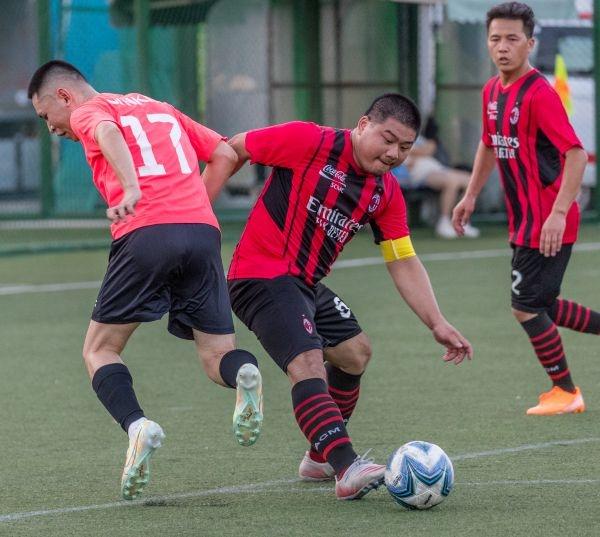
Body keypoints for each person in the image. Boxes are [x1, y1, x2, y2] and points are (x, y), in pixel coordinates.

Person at [27, 60, 264, 500]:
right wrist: (193, 206)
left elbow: (107, 133)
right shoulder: (160, 107)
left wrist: (133, 188)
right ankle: (245, 374)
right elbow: (227, 155)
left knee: (99, 349)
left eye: (46, 116)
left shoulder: (89, 110)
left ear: (64, 96)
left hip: (145, 232)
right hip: (202, 232)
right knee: (217, 355)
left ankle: (138, 425)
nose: (52, 128)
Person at [224, 93, 472, 501]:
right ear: (363, 125)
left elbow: (402, 260)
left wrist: (437, 322)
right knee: (307, 363)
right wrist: (201, 211)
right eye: (387, 139)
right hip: (260, 275)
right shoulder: (309, 141)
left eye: (405, 147)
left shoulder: (385, 192)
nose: (393, 154)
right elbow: (234, 148)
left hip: (305, 284)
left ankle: (318, 458)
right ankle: (346, 466)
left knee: (355, 353)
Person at [452, 2, 599, 415]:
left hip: (548, 222)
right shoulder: (491, 91)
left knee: (525, 307)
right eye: (495, 39)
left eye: (512, 39)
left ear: (530, 44)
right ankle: (564, 389)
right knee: (543, 304)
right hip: (524, 222)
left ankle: (565, 391)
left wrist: (558, 213)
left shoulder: (539, 95)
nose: (502, 47)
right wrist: (470, 195)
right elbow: (488, 143)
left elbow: (575, 155)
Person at [404, 117, 480, 239]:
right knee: (452, 182)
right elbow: (427, 150)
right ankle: (444, 222)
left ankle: (461, 221)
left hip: (438, 169)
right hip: (420, 174)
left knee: (471, 181)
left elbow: (429, 148)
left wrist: (421, 150)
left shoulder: (419, 139)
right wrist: (421, 150)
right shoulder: (400, 139)